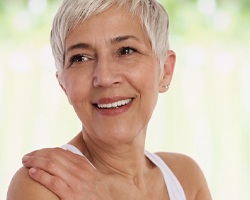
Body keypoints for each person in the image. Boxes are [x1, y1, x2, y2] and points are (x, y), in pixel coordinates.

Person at [7, 0, 212, 199]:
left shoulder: (185, 178)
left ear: (165, 71)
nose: (104, 78)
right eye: (80, 58)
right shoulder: (43, 185)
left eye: (126, 51)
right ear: (63, 83)